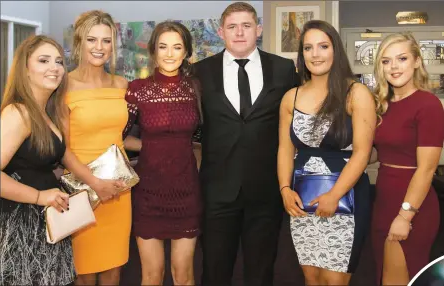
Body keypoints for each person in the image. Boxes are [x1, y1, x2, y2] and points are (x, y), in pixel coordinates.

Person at [0, 35, 123, 286]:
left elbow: (63, 155)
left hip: (49, 223)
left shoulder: (46, 113)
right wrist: (39, 196)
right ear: (25, 68)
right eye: (43, 60)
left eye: (58, 61)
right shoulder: (18, 112)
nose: (54, 67)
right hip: (21, 225)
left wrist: (95, 183)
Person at [194, 2, 301, 285]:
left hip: (266, 190)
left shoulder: (284, 69)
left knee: (261, 271)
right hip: (217, 191)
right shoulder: (199, 73)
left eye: (246, 25)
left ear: (259, 29)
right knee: (215, 270)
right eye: (232, 27)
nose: (239, 33)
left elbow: (302, 119)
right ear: (220, 32)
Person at [278, 20, 376, 285]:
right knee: (311, 277)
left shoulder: (356, 93)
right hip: (303, 198)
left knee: (335, 279)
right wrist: (285, 189)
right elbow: (285, 149)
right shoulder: (291, 97)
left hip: (346, 197)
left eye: (323, 46)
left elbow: (362, 153)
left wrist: (335, 195)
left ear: (336, 50)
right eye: (308, 48)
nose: (315, 54)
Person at [122, 21, 202, 286]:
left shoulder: (196, 89)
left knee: (183, 274)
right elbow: (120, 137)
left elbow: (207, 137)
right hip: (148, 194)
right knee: (151, 275)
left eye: (177, 47)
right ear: (154, 52)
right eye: (163, 46)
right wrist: (153, 146)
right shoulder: (137, 89)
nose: (169, 54)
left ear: (186, 52)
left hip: (187, 191)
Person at [372, 32, 444, 285]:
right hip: (382, 199)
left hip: (413, 205)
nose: (393, 67)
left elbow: (427, 169)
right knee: (384, 276)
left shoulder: (428, 104)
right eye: (386, 61)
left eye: (401, 58)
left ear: (416, 61)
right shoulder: (381, 104)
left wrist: (405, 216)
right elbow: (373, 153)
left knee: (403, 278)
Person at [65, 10, 131, 285]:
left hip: (118, 190)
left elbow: (118, 136)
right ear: (80, 42)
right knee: (84, 272)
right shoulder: (64, 84)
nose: (99, 47)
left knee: (114, 268)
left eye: (106, 41)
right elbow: (62, 149)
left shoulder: (121, 84)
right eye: (92, 40)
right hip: (81, 191)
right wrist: (94, 183)